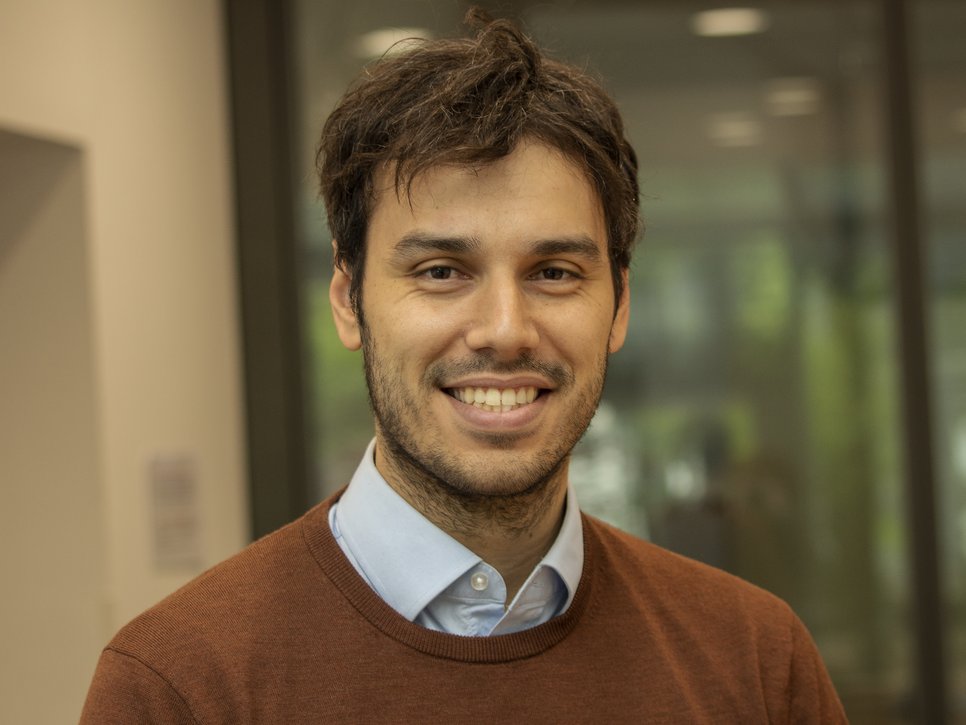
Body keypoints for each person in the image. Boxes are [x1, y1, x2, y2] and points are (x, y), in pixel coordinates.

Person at [81, 10, 847, 723]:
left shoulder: (754, 662)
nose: (506, 331)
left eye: (554, 272)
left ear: (617, 307)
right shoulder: (180, 686)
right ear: (349, 302)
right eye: (442, 271)